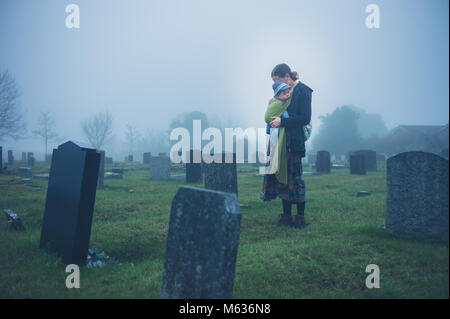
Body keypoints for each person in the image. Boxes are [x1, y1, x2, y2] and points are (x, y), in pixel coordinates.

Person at [260, 63, 313, 229]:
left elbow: (304, 118)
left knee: (295, 179)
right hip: (278, 141)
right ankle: (286, 216)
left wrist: (282, 121)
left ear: (287, 76)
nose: (276, 85)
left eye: (278, 80)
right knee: (282, 178)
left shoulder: (303, 91)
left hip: (294, 141)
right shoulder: (282, 93)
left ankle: (300, 217)